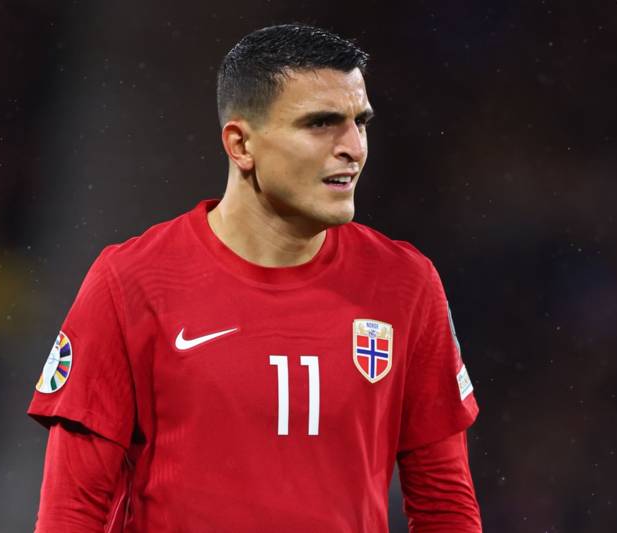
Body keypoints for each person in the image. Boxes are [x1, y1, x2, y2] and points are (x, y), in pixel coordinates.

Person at [28, 23, 482, 532]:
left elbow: (445, 506)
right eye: (321, 123)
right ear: (241, 144)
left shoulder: (405, 284)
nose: (354, 148)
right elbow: (71, 511)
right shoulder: (132, 281)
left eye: (360, 122)